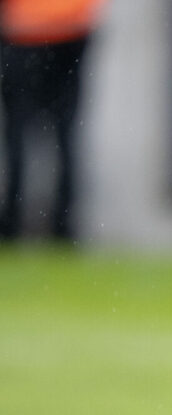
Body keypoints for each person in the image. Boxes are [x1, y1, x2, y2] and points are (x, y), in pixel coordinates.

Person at [0, 0, 106, 243]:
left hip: (23, 30)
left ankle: (12, 224)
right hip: (72, 27)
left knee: (18, 131)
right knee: (65, 132)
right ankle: (63, 225)